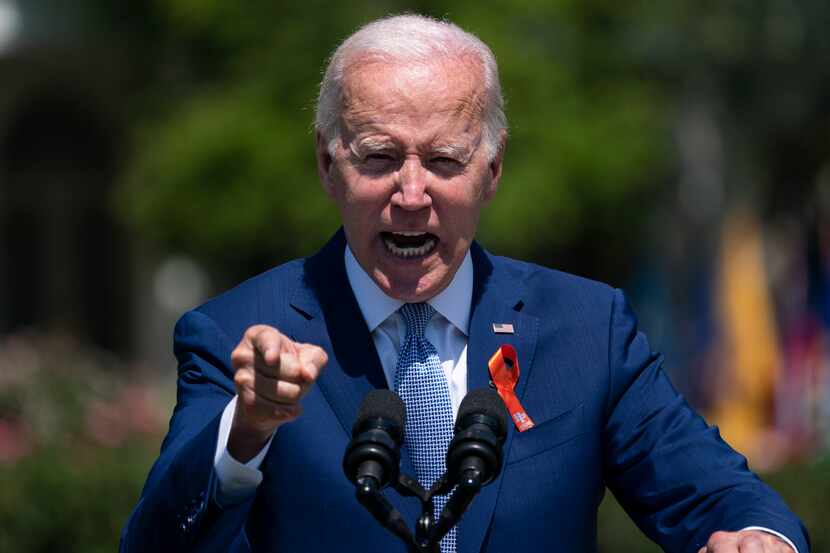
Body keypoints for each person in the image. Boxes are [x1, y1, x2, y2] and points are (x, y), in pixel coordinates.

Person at [120, 14, 809, 553]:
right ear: (328, 166)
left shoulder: (586, 329)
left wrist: (757, 538)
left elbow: (719, 495)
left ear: (493, 170)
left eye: (445, 159)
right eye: (380, 157)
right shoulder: (238, 334)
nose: (412, 193)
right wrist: (245, 432)